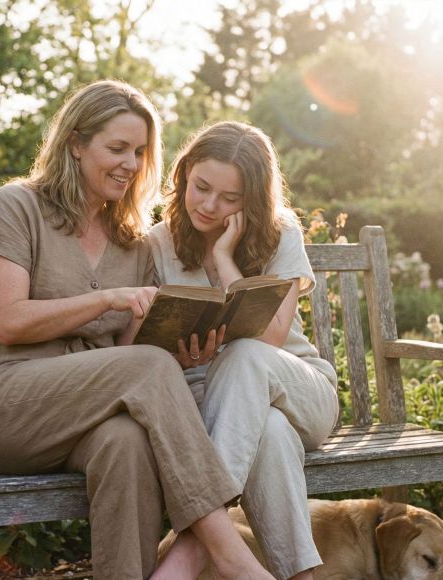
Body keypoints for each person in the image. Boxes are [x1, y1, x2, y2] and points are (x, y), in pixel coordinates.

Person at [0, 81, 272, 580]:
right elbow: (10, 321)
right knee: (148, 369)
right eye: (117, 147)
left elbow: (129, 356)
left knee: (127, 441)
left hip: (86, 417)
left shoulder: (134, 242)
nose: (131, 163)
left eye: (141, 152)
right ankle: (228, 553)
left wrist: (177, 352)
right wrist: (107, 300)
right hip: (4, 407)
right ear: (76, 144)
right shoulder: (19, 206)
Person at [148, 121, 340, 580]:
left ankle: (196, 544)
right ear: (184, 174)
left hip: (301, 392)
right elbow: (145, 346)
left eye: (230, 199)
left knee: (245, 354)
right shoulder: (158, 242)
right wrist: (182, 356)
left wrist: (223, 258)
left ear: (251, 200)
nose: (211, 206)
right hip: (216, 408)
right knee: (268, 433)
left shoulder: (281, 232)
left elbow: (269, 336)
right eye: (201, 187)